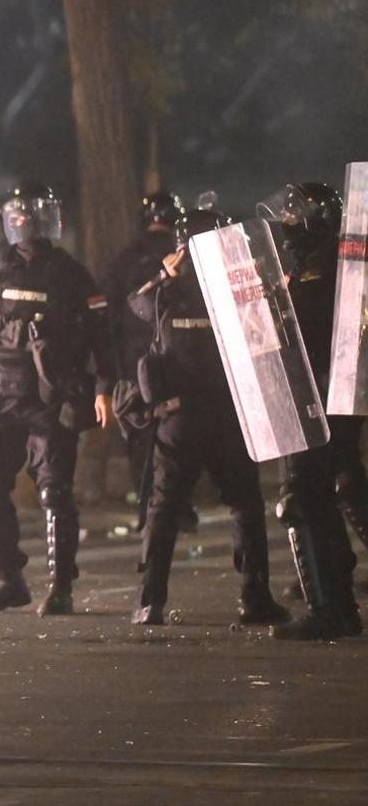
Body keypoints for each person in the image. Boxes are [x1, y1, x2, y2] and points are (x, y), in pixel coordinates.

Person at [0, 184, 116, 615]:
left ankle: (61, 587)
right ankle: (11, 581)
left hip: (51, 398)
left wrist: (103, 388)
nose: (24, 226)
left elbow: (102, 335)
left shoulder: (70, 274)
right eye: (18, 218)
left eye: (32, 218)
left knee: (54, 494)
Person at [126, 208, 289, 626]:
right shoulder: (236, 290)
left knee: (164, 508)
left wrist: (166, 275)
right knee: (245, 506)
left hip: (180, 418)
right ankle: (254, 598)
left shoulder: (167, 293)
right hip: (228, 415)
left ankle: (150, 602)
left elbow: (135, 303)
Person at [259, 182, 364, 639]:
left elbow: (309, 328)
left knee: (303, 493)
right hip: (329, 398)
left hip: (321, 397)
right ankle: (335, 604)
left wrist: (277, 301)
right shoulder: (328, 261)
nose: (286, 224)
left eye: (294, 215)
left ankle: (332, 609)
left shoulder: (324, 266)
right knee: (332, 487)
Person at [102, 191, 195, 529]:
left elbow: (109, 312)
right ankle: (179, 508)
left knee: (141, 435)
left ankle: (149, 510)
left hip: (135, 363)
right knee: (179, 433)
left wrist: (109, 370)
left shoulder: (127, 258)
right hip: (179, 360)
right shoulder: (187, 256)